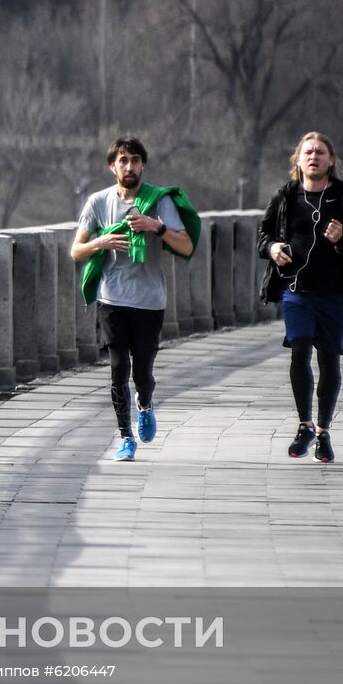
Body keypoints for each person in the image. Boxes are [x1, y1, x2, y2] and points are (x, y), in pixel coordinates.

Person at [257, 131, 343, 464]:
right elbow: (263, 235)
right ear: (297, 160)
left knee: (328, 359)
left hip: (335, 294)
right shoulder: (285, 197)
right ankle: (304, 425)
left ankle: (324, 432)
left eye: (320, 152)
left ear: (331, 161)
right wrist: (271, 248)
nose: (314, 157)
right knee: (298, 350)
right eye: (308, 152)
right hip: (295, 291)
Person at [72, 136, 200, 461]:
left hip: (149, 301)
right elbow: (77, 250)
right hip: (111, 299)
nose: (129, 166)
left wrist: (155, 227)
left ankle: (145, 402)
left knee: (142, 371)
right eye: (123, 160)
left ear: (143, 165)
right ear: (112, 166)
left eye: (135, 160)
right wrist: (101, 243)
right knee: (118, 367)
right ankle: (125, 437)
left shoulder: (159, 202)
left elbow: (185, 246)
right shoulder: (98, 203)